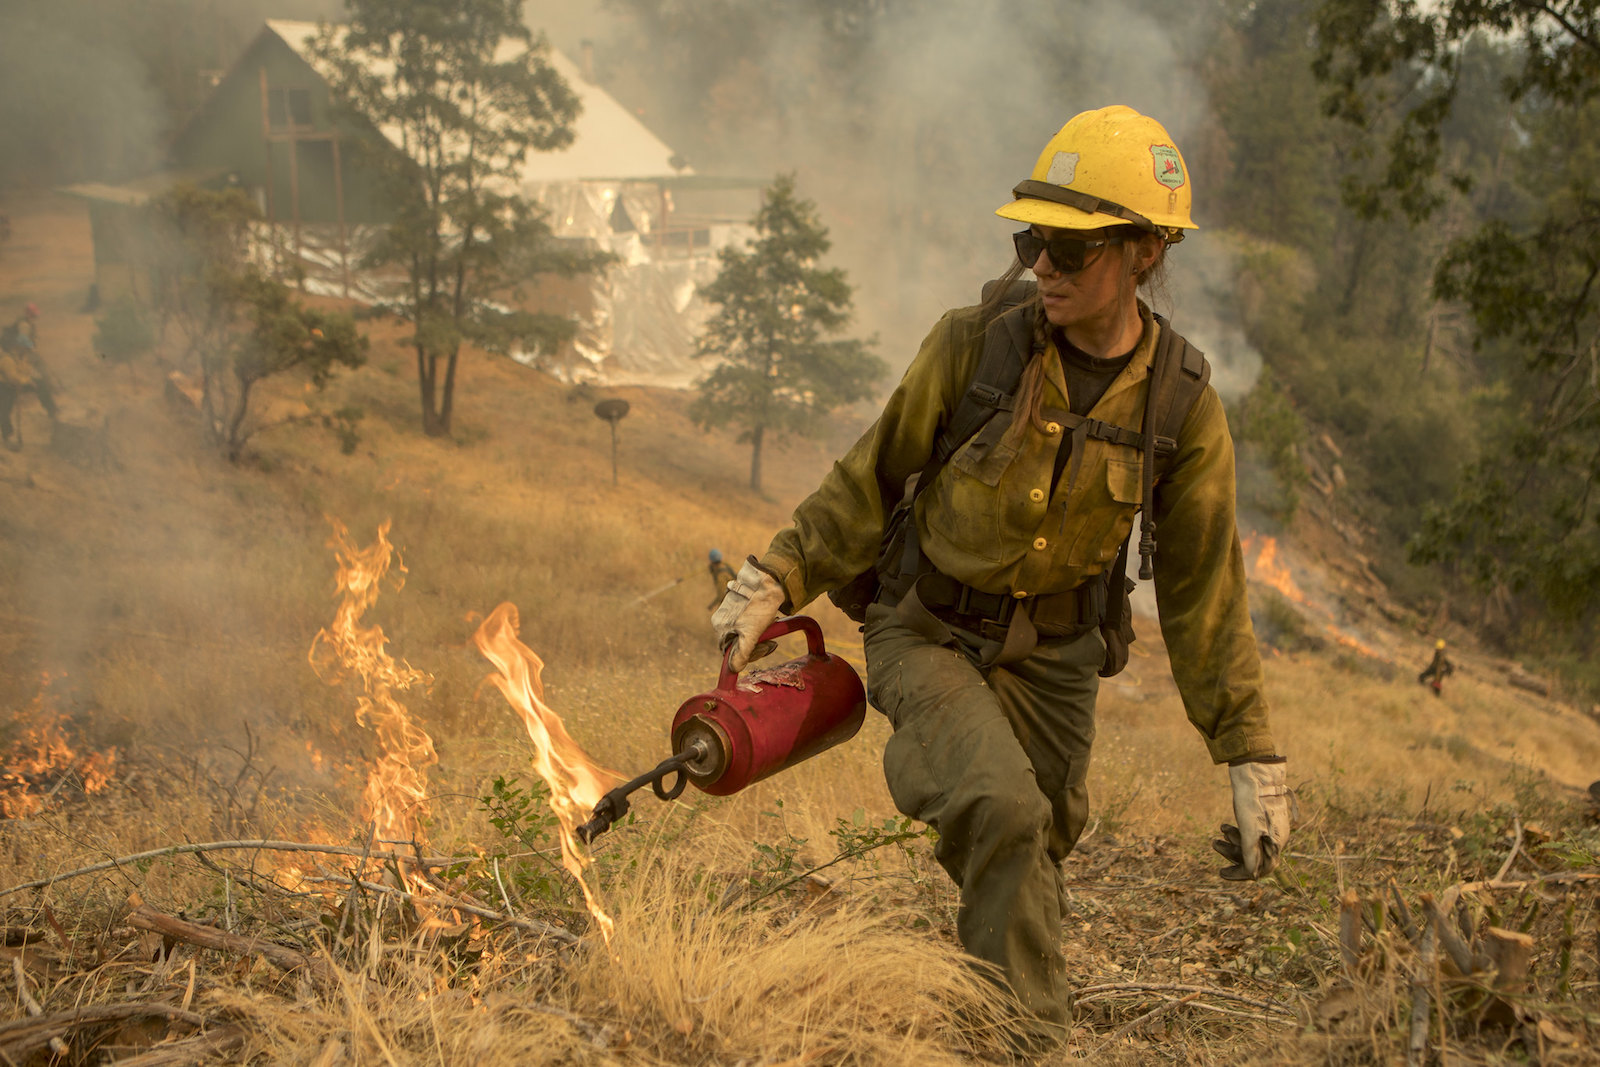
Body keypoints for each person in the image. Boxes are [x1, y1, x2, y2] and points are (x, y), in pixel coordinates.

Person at [711, 106, 1290, 1048]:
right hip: (927, 629)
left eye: (1068, 246)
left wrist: (1248, 751)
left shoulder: (1182, 406)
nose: (1044, 267)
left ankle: (972, 998)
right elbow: (872, 475)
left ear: (1144, 251)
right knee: (1003, 808)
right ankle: (1022, 1041)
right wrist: (776, 576)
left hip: (1057, 656)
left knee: (1041, 834)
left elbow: (1203, 590)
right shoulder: (975, 343)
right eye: (1032, 241)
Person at [0, 303, 55, 449]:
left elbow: (24, 372)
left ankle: (52, 411)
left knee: (41, 384)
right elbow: (12, 377)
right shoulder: (7, 358)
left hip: (15, 384)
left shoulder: (20, 356)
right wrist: (27, 381)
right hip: (5, 387)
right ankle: (7, 438)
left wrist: (30, 380)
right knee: (4, 412)